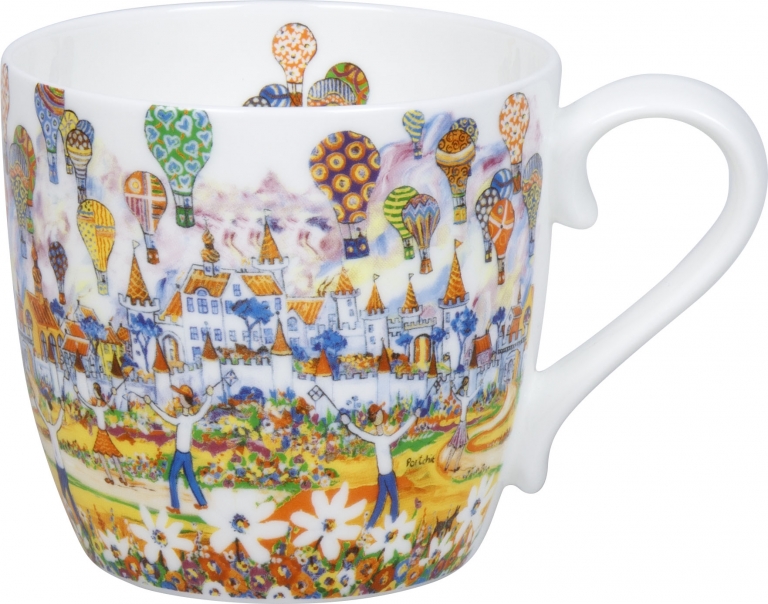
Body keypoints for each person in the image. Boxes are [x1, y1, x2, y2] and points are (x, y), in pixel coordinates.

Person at [340, 403, 416, 529]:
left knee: (386, 500)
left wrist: (414, 417)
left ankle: (377, 526)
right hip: (385, 476)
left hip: (386, 475)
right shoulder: (380, 439)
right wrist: (348, 423)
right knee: (389, 500)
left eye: (378, 414)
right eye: (375, 414)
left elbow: (401, 431)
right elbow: (359, 433)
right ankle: (382, 525)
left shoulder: (382, 439)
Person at [143, 384, 214, 514]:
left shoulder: (184, 419)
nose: (179, 398)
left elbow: (166, 416)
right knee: (190, 479)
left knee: (172, 477)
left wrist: (209, 396)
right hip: (186, 455)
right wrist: (209, 396)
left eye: (181, 396)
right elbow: (202, 411)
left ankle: (176, 507)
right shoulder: (188, 418)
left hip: (180, 455)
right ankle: (202, 503)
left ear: (186, 399)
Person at [32, 391, 80, 520]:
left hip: (61, 465)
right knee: (65, 490)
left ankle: (74, 511)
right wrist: (37, 404)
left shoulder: (53, 426)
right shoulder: (50, 426)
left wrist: (63, 409)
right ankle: (74, 511)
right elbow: (45, 417)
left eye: (50, 409)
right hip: (60, 464)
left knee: (66, 490)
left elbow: (58, 419)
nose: (49, 413)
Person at [74, 382, 128, 485]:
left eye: (95, 392)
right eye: (94, 392)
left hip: (103, 434)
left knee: (112, 454)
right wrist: (77, 393)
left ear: (97, 392)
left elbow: (109, 403)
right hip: (100, 433)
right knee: (105, 454)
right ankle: (114, 478)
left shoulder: (101, 406)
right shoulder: (98, 406)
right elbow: (86, 403)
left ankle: (121, 478)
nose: (94, 393)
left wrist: (114, 394)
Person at [444, 377, 471, 472]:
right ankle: (454, 467)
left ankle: (447, 466)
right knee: (460, 447)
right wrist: (480, 385)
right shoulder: (466, 399)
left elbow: (455, 393)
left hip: (461, 425)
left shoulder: (462, 398)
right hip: (462, 426)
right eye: (467, 384)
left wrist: (453, 386)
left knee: (455, 446)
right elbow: (457, 393)